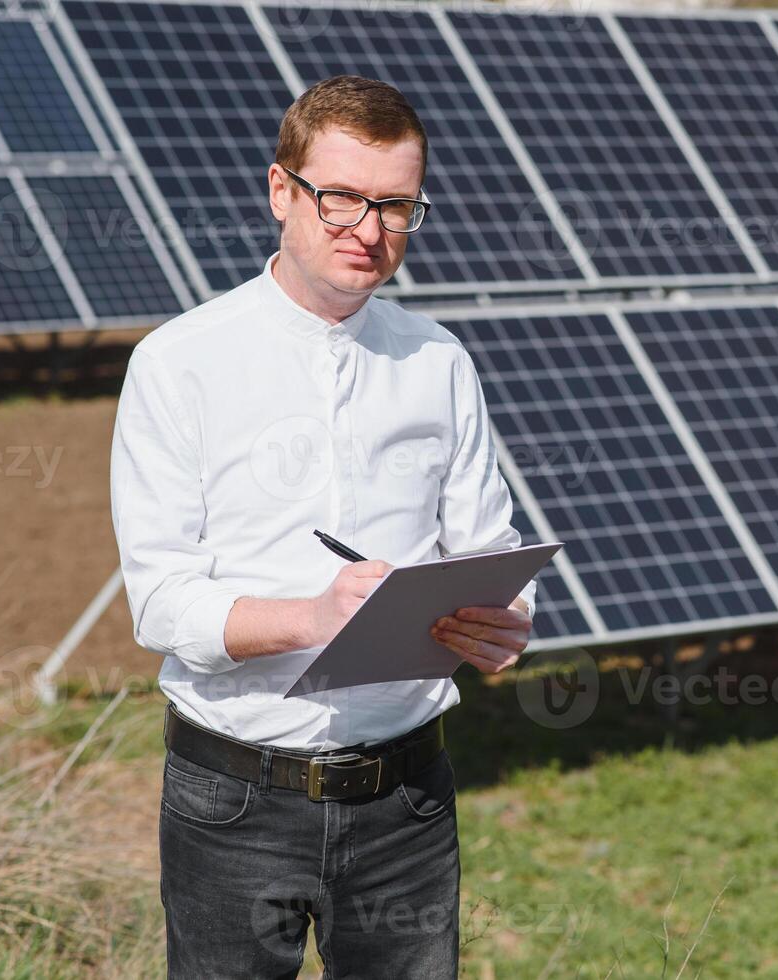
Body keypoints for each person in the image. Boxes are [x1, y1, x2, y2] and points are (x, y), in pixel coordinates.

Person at [109, 74, 536, 979]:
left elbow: (490, 548)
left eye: (396, 206)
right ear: (281, 190)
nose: (369, 231)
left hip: (408, 797)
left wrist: (507, 619)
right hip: (233, 795)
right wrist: (313, 617)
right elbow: (162, 603)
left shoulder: (439, 361)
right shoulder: (179, 363)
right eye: (341, 197)